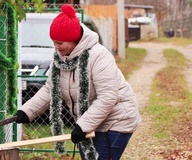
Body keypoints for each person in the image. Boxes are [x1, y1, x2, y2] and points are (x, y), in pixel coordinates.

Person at [16, 4, 141, 160]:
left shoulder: (98, 56)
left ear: (73, 39)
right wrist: (27, 111)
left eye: (60, 43)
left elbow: (108, 97)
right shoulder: (60, 58)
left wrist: (83, 125)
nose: (56, 47)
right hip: (90, 122)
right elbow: (50, 89)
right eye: (54, 42)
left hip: (115, 120)